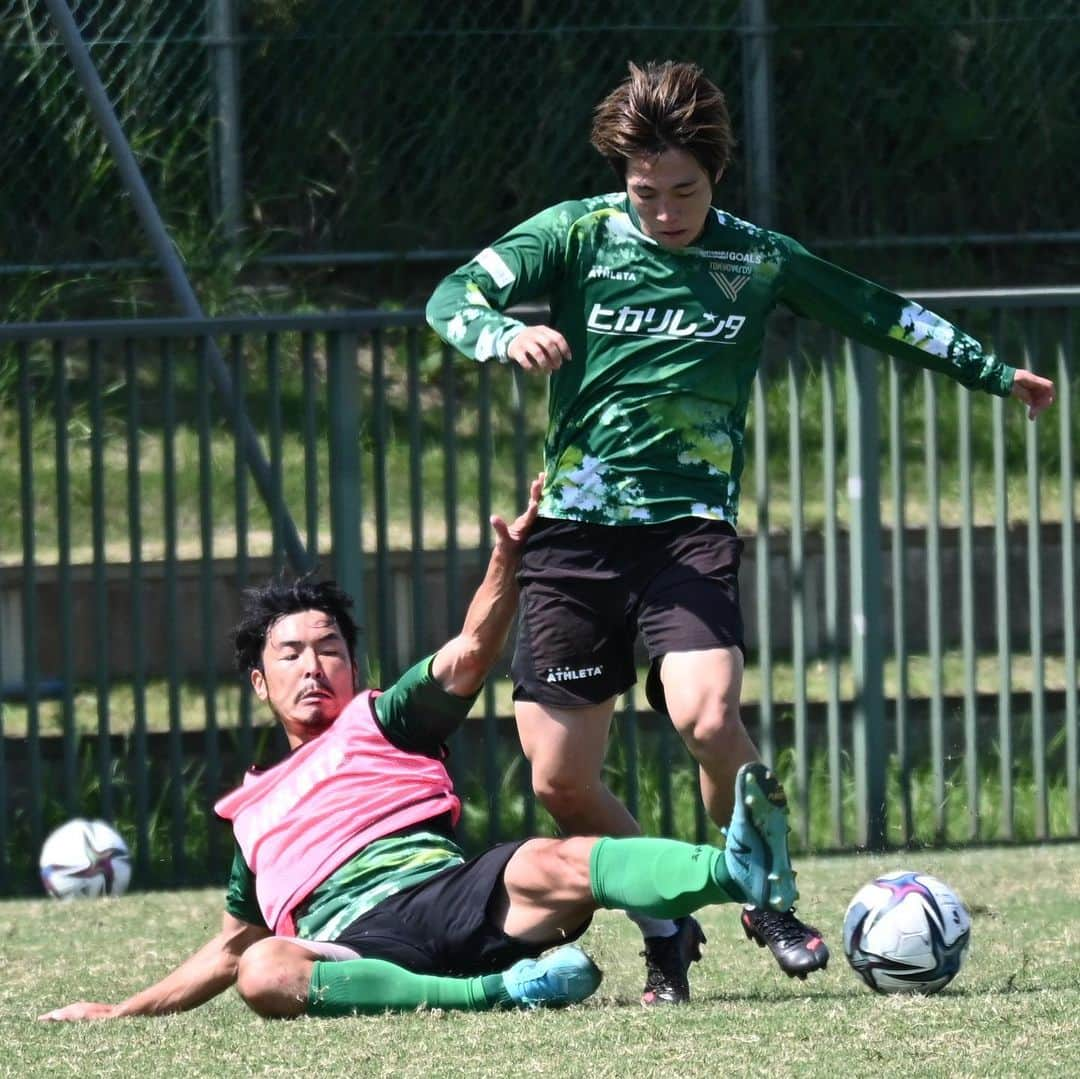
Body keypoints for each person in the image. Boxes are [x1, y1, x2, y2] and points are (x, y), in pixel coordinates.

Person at [426, 60, 1056, 1005]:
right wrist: (502, 336)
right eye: (647, 192)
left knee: (710, 716)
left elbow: (874, 310)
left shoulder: (753, 257)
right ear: (621, 177)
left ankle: (766, 895)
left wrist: (991, 371)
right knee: (560, 782)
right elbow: (452, 299)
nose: (666, 209)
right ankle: (669, 922)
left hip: (688, 531)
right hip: (571, 540)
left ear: (714, 175)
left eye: (684, 190)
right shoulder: (575, 236)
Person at [39, 476, 802, 1023]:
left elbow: (471, 650)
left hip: (455, 899)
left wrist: (508, 560)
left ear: (355, 665)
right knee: (267, 966)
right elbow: (230, 946)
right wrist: (120, 1009)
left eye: (330, 648)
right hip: (355, 945)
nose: (313, 666)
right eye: (292, 653)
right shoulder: (250, 815)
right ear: (258, 682)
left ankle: (736, 869)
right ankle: (497, 995)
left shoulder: (385, 717)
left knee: (553, 856)